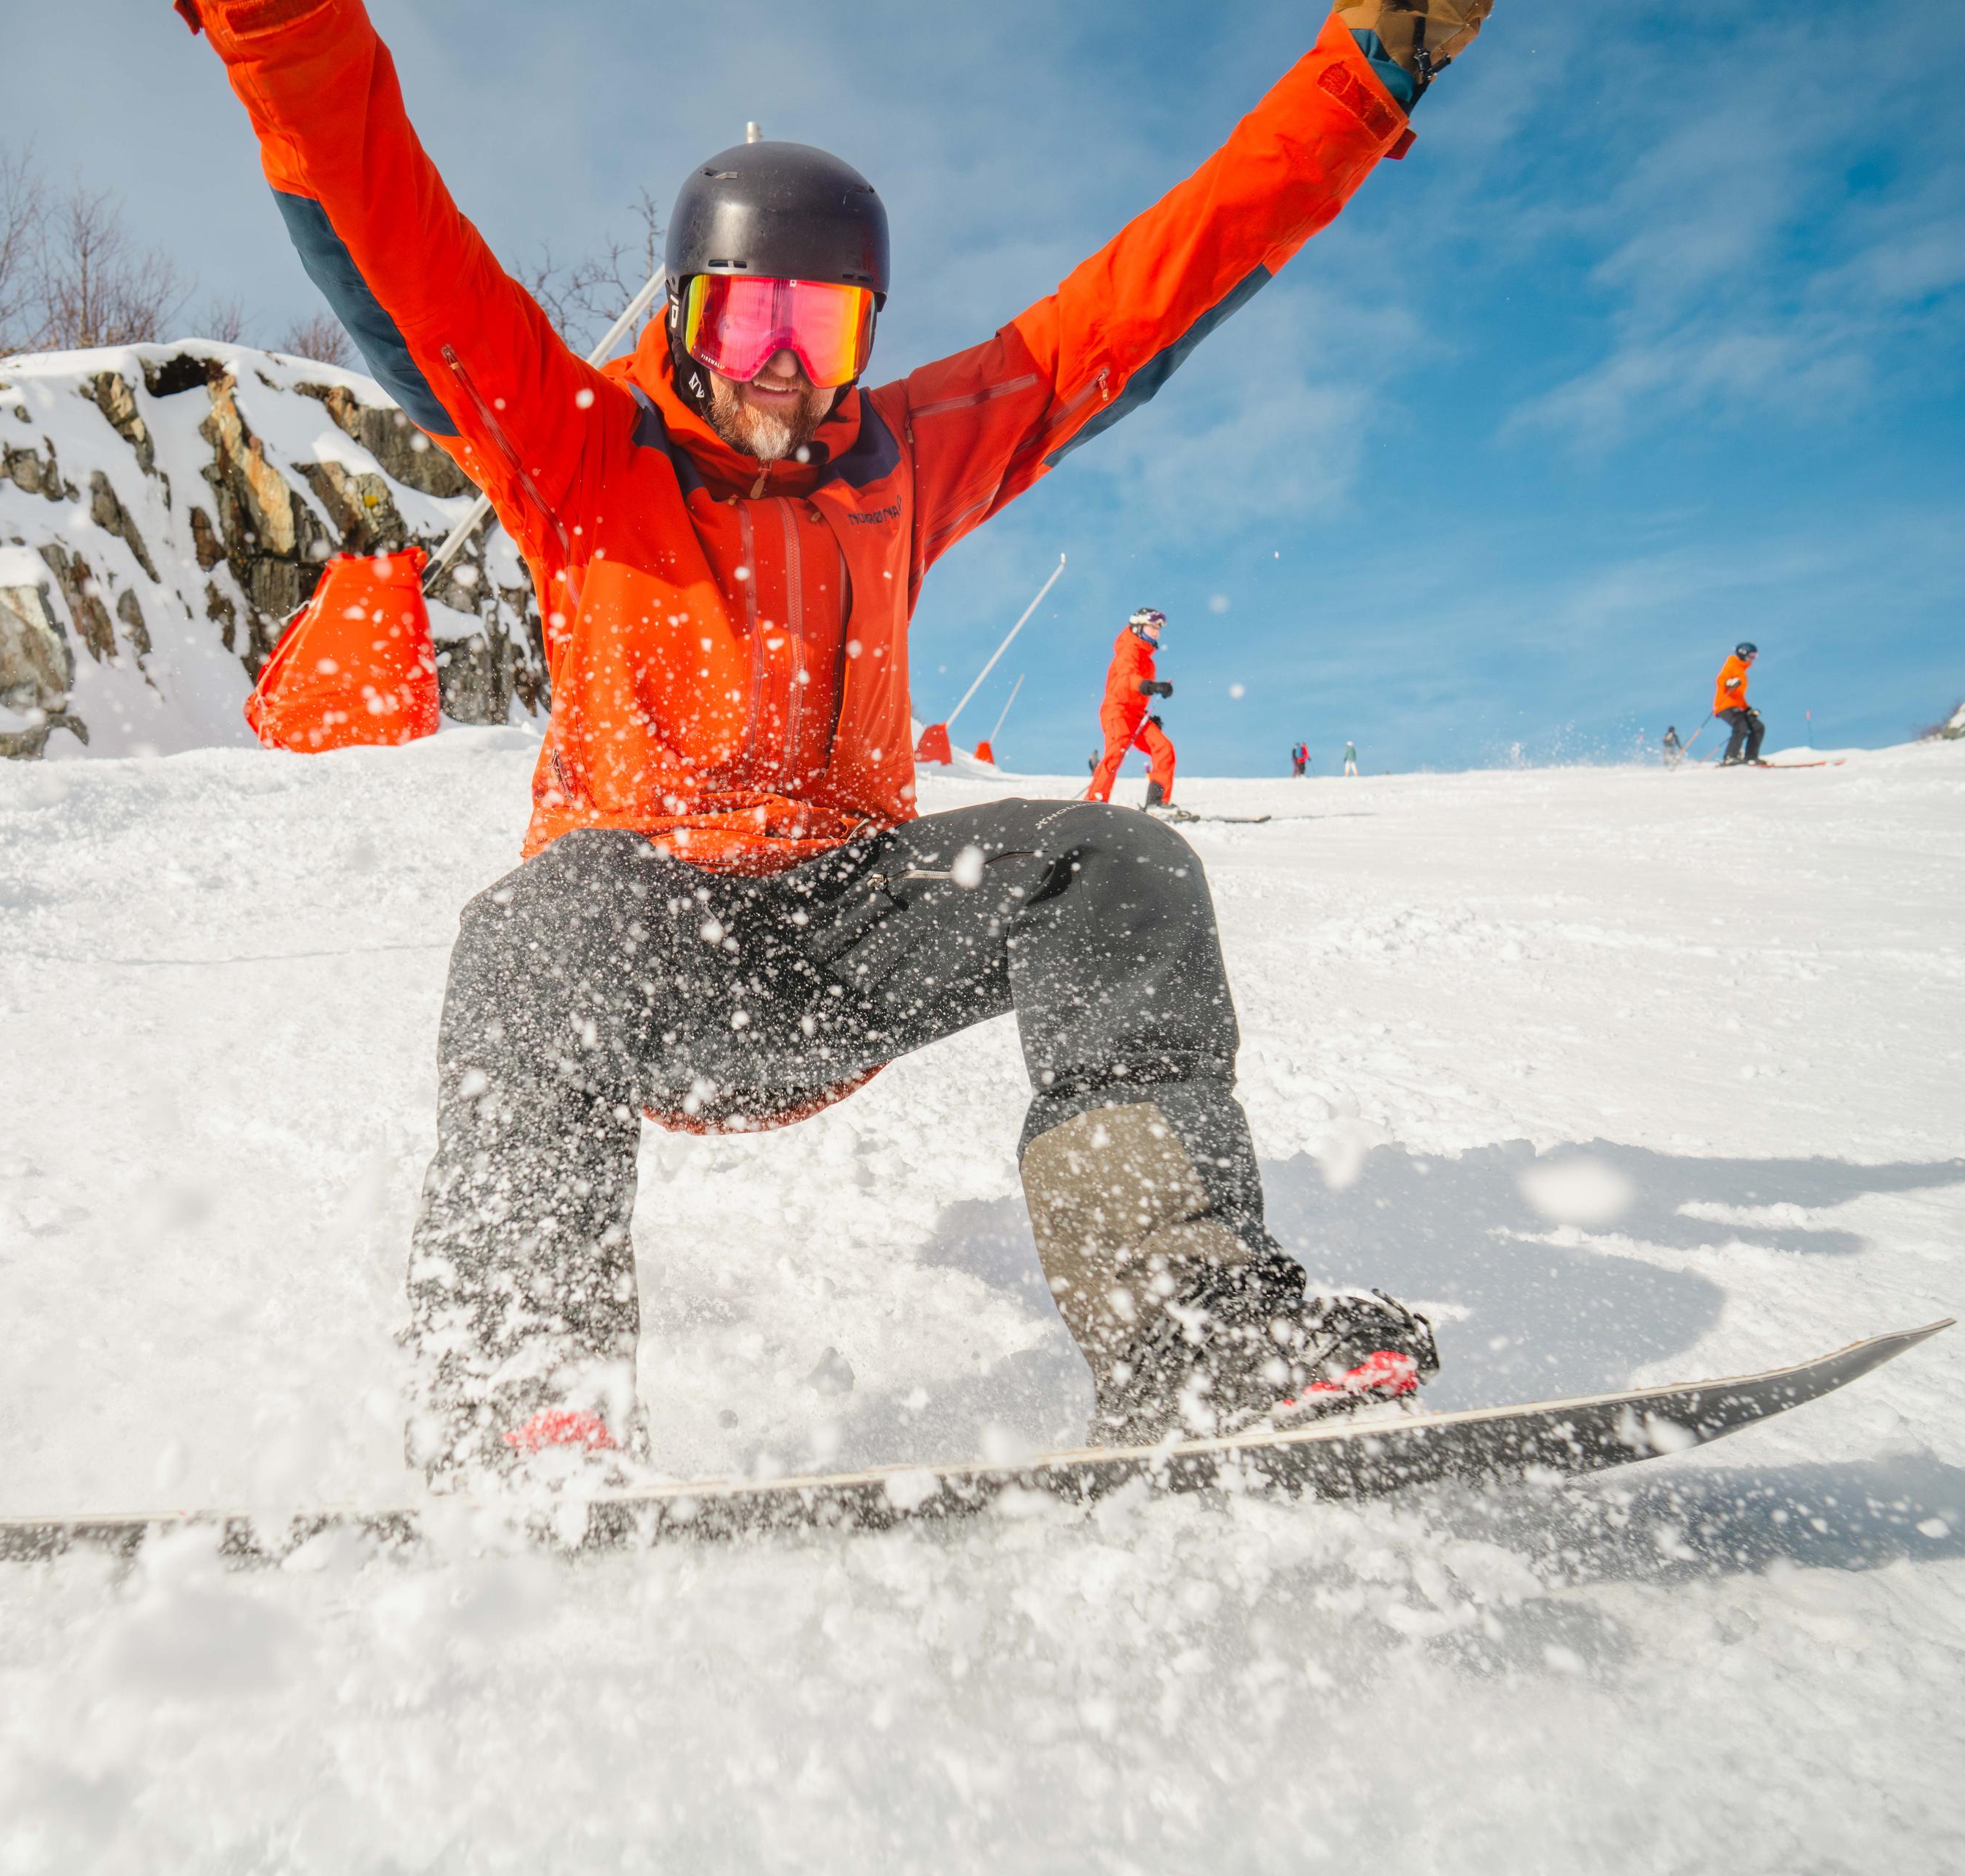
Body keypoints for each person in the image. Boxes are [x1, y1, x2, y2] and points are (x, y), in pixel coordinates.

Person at [179, 0, 1487, 1486]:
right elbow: (385, 229)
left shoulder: (906, 463)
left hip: (851, 931)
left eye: (827, 325)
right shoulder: (577, 449)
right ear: (683, 311)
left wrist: (1365, 73)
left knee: (1113, 864)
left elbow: (1144, 301)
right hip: (643, 942)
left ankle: (1190, 1328)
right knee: (529, 927)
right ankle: (522, 1390)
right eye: (750, 317)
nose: (786, 365)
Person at [1085, 607, 1180, 812]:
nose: (1156, 631)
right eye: (1152, 626)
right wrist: (1151, 686)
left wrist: (1148, 716)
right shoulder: (1128, 649)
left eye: (1158, 628)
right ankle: (1093, 803)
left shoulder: (1148, 660)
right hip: (1117, 711)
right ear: (1138, 627)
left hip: (1136, 715)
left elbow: (1137, 693)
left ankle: (1156, 803)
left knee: (1163, 748)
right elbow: (1128, 679)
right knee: (1115, 752)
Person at [1714, 643, 1765, 766]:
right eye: (1751, 656)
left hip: (1738, 707)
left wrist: (1748, 709)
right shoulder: (1732, 664)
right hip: (1725, 706)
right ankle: (1730, 757)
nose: (1753, 659)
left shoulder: (1742, 671)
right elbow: (1721, 679)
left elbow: (1739, 696)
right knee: (1741, 727)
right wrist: (1729, 683)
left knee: (1758, 727)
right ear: (1743, 653)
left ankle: (1751, 757)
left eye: (1755, 656)